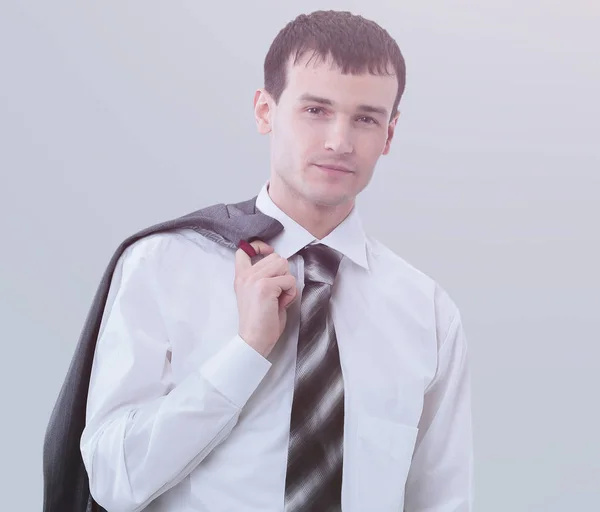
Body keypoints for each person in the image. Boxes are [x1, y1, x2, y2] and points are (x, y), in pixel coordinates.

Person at [78, 9, 473, 512]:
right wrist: (246, 352)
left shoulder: (428, 313)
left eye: (366, 119)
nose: (339, 141)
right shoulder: (162, 266)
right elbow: (114, 481)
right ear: (265, 111)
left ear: (389, 135)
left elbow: (442, 500)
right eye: (315, 110)